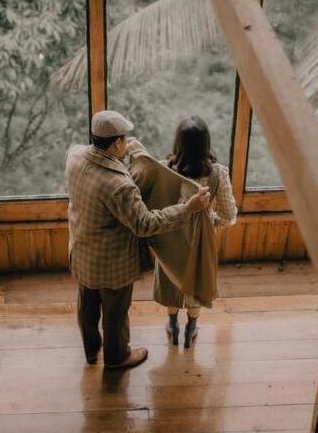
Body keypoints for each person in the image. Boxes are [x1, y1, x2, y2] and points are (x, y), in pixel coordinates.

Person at [65, 110, 211, 370]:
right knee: (115, 313)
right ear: (117, 143)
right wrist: (188, 208)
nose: (128, 141)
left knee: (86, 306)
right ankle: (117, 357)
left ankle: (91, 350)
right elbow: (145, 224)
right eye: (125, 138)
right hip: (111, 264)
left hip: (81, 252)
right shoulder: (119, 185)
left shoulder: (74, 156)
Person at [156, 116, 238, 348]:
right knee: (197, 282)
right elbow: (229, 215)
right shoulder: (217, 173)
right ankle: (191, 330)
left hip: (169, 233)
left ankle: (172, 325)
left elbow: (154, 204)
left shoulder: (163, 169)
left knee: (171, 281)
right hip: (201, 239)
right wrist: (211, 220)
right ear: (206, 143)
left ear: (178, 142)